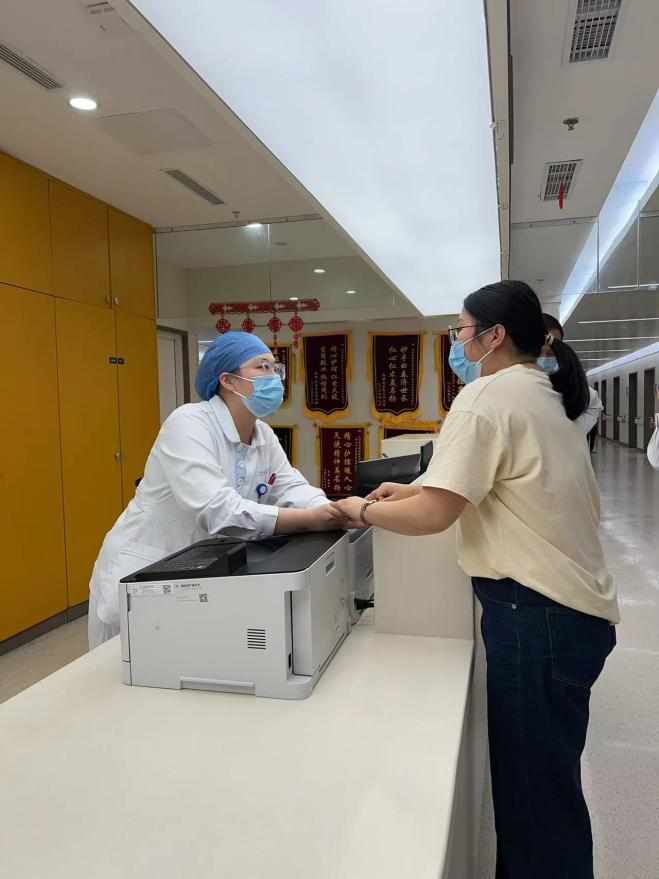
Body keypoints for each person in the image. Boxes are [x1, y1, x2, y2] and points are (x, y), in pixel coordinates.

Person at [336, 281, 619, 879]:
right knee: (547, 788)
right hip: (572, 614)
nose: (456, 343)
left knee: (534, 804)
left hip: (536, 615)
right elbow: (495, 480)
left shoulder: (486, 395)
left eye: (461, 331)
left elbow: (435, 517)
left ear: (495, 336)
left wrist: (358, 510)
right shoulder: (544, 391)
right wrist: (410, 489)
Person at [88, 331, 348, 649]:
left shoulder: (263, 435)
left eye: (275, 368)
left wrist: (334, 509)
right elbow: (219, 510)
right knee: (127, 667)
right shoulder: (189, 423)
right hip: (144, 568)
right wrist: (310, 520)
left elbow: (292, 487)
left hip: (198, 570)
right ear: (228, 380)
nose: (275, 377)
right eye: (262, 367)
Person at [540, 313, 604, 451]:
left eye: (553, 349)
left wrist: (572, 433)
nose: (547, 354)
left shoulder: (565, 383)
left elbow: (594, 404)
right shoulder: (512, 383)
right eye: (541, 347)